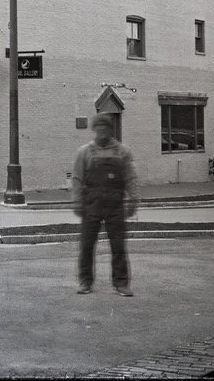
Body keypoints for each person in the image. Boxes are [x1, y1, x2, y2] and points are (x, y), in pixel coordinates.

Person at [71, 113, 138, 296]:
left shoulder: (123, 152)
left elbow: (131, 178)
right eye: (98, 128)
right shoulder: (84, 152)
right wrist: (77, 201)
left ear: (110, 129)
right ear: (94, 130)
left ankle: (121, 284)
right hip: (91, 204)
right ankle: (85, 282)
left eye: (105, 128)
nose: (102, 132)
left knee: (118, 246)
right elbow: (77, 179)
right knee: (86, 245)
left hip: (115, 205)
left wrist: (133, 199)